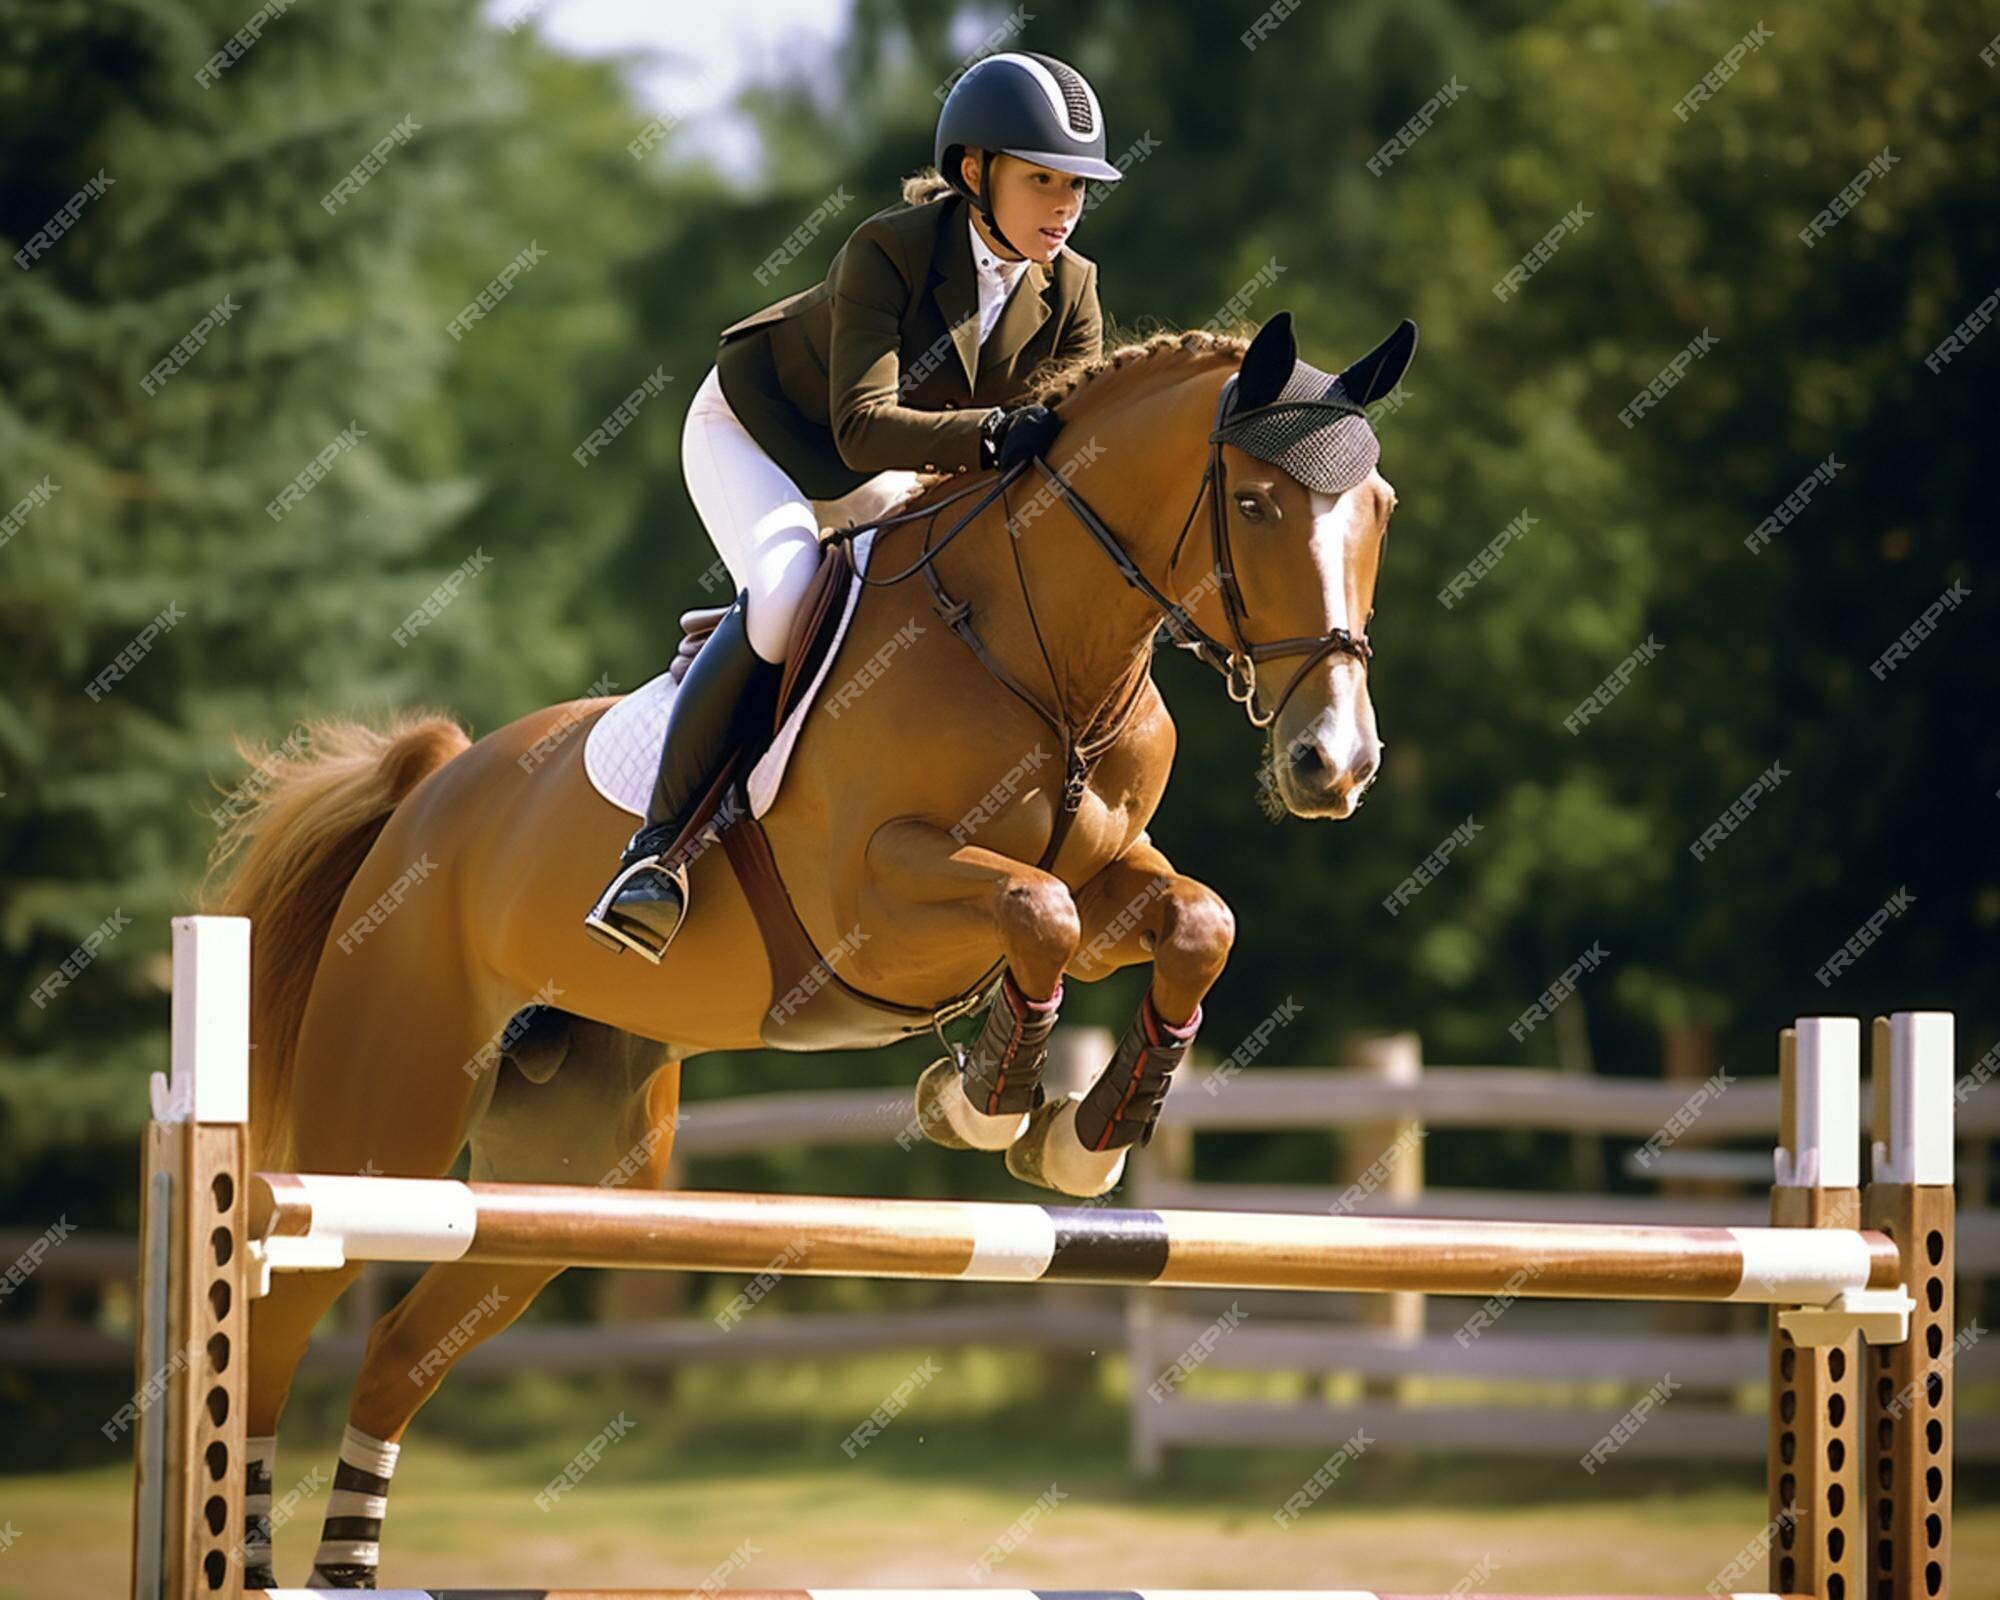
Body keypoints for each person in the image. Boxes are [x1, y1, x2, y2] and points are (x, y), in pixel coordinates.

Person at [586, 50, 1120, 960]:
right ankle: (656, 855)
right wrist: (993, 436)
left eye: (1077, 185)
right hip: (763, 435)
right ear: (972, 173)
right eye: (1043, 181)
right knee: (791, 589)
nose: (1065, 206)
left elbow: (1058, 458)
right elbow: (865, 428)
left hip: (904, 464)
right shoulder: (891, 250)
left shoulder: (1072, 289)